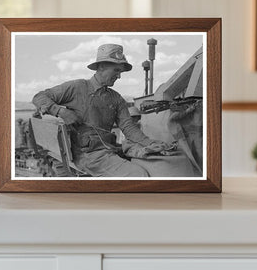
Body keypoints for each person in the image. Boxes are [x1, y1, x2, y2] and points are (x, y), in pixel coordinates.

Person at [32, 44, 176, 177]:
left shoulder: (116, 99)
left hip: (108, 151)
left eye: (120, 72)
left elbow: (129, 128)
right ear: (101, 67)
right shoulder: (77, 87)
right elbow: (39, 97)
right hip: (87, 156)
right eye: (116, 70)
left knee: (157, 164)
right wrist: (60, 111)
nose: (119, 76)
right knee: (138, 175)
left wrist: (149, 143)